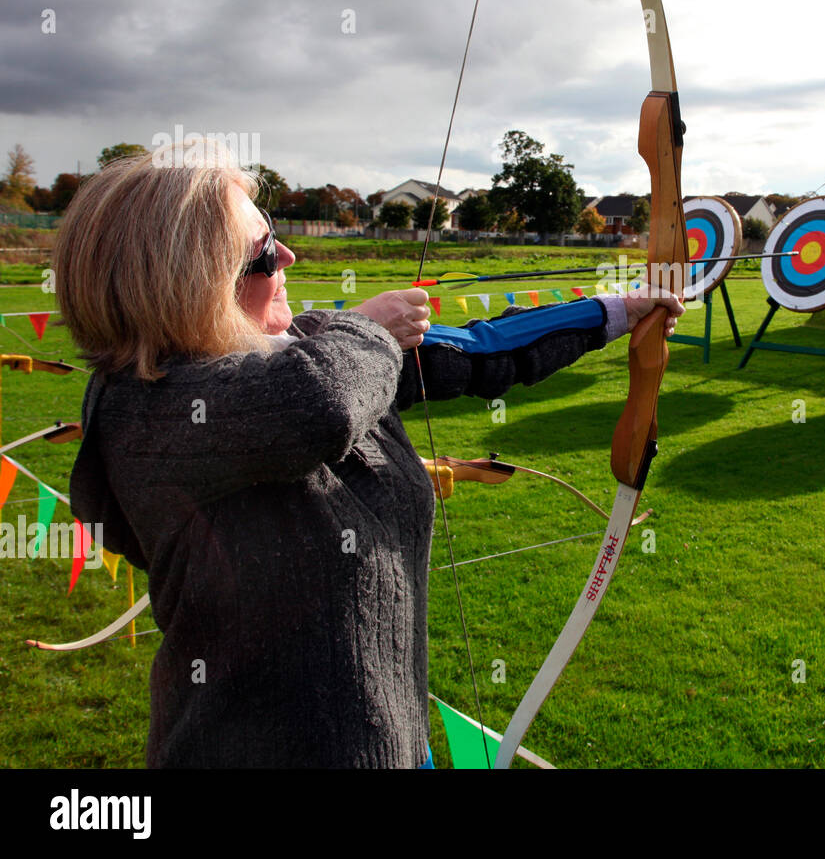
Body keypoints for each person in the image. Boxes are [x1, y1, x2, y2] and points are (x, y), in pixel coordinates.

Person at [52, 144, 682, 768]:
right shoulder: (147, 411)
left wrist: (619, 311)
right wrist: (373, 330)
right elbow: (317, 405)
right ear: (188, 281)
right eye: (266, 252)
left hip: (393, 744)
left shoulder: (315, 349)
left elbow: (478, 351)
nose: (291, 257)